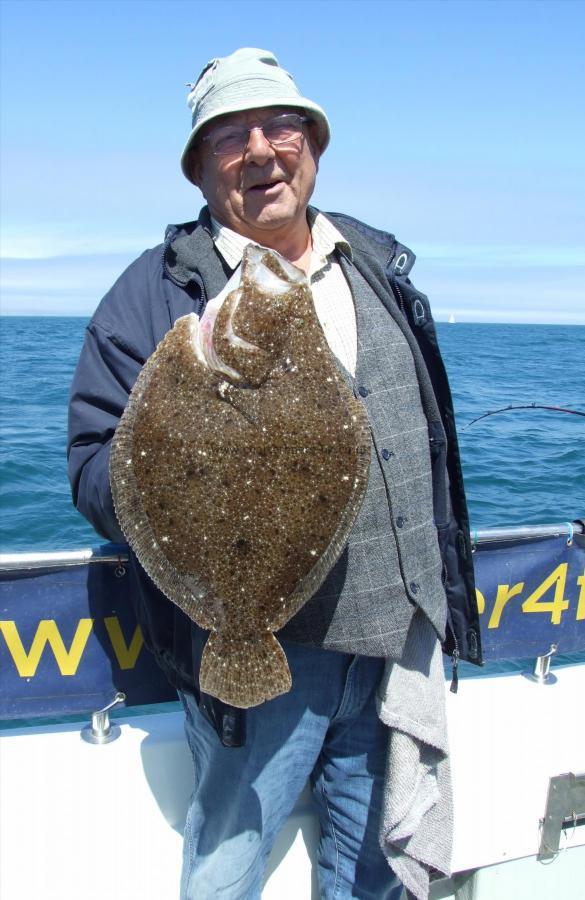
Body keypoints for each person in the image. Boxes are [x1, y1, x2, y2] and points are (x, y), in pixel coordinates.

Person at [68, 48, 481, 900]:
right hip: (255, 647)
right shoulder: (153, 296)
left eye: (280, 126)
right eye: (229, 137)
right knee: (229, 856)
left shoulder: (375, 264)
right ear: (200, 167)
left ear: (313, 145)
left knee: (375, 865)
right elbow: (91, 466)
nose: (260, 150)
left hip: (394, 631)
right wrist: (176, 474)